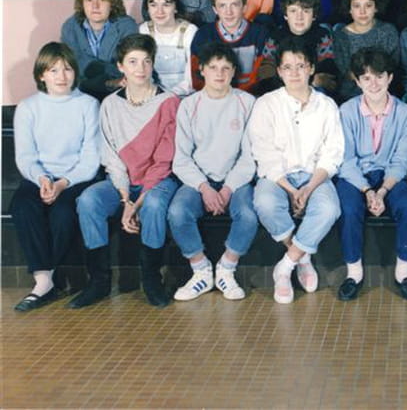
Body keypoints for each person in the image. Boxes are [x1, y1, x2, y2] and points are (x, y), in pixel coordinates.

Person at [71, 34, 180, 309]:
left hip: (159, 180)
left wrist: (138, 201)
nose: (140, 68)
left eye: (146, 61)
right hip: (122, 181)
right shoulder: (110, 104)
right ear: (120, 66)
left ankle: (151, 279)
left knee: (153, 205)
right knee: (88, 200)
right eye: (132, 62)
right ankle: (99, 281)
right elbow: (110, 155)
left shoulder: (169, 102)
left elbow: (164, 160)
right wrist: (124, 198)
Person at [249, 39, 344, 304]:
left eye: (300, 66)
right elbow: (264, 153)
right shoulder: (266, 104)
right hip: (278, 176)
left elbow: (333, 152)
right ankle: (302, 257)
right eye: (287, 67)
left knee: (329, 209)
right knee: (265, 203)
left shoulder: (326, 105)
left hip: (314, 175)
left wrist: (309, 187)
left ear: (311, 68)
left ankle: (286, 265)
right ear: (279, 71)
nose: (294, 73)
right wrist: (292, 190)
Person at [11, 43, 100, 312]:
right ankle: (43, 280)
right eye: (53, 70)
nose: (61, 76)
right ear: (42, 75)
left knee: (63, 213)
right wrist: (42, 179)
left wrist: (62, 184)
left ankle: (46, 280)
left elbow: (90, 159)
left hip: (75, 179)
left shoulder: (88, 105)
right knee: (22, 206)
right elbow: (25, 156)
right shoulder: (28, 107)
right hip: (39, 177)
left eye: (67, 69)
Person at [169, 44, 258, 301]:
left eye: (226, 68)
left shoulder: (247, 103)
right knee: (177, 212)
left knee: (248, 215)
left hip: (236, 180)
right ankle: (201, 271)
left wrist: (228, 188)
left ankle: (226, 269)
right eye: (213, 67)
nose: (219, 74)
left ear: (234, 72)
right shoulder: (189, 105)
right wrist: (204, 187)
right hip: (200, 180)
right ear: (202, 70)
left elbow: (249, 156)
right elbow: (181, 158)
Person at [336, 48, 407, 301]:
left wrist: (382, 191)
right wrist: (367, 191)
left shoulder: (405, 113)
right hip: (355, 177)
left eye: (379, 76)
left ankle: (403, 274)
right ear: (357, 81)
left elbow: (401, 160)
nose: (373, 84)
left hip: (390, 176)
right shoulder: (346, 111)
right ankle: (353, 274)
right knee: (348, 208)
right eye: (366, 78)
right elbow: (346, 159)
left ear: (390, 77)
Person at [60, 0, 138, 100]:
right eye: (89, 0)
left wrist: (97, 73)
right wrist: (108, 77)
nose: (95, 6)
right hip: (81, 93)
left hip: (117, 94)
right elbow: (73, 66)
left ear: (112, 4)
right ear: (82, 4)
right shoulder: (70, 27)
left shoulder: (127, 26)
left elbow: (128, 67)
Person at [190, 0, 270, 93]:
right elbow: (197, 77)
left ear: (244, 7)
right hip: (214, 97)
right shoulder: (203, 35)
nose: (229, 12)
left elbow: (265, 76)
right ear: (215, 9)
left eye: (234, 5)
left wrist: (241, 97)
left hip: (251, 96)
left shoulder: (260, 33)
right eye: (222, 5)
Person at [256, 0, 339, 97]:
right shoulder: (275, 37)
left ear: (314, 15)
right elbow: (266, 75)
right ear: (285, 14)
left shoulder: (322, 36)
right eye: (293, 11)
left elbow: (326, 77)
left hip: (312, 93)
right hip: (281, 91)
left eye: (306, 11)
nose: (299, 17)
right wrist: (308, 81)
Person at [333, 0, 400, 100]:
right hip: (350, 94)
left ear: (376, 8)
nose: (362, 12)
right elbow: (346, 71)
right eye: (356, 6)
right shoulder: (340, 35)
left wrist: (376, 86)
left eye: (368, 6)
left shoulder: (388, 31)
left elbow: (392, 66)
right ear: (350, 9)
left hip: (383, 91)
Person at [139, 0, 198, 96]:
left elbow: (191, 79)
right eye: (153, 5)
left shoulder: (190, 31)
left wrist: (169, 95)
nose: (159, 11)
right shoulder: (144, 30)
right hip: (152, 96)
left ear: (175, 7)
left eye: (166, 5)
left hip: (184, 96)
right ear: (147, 8)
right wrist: (156, 96)